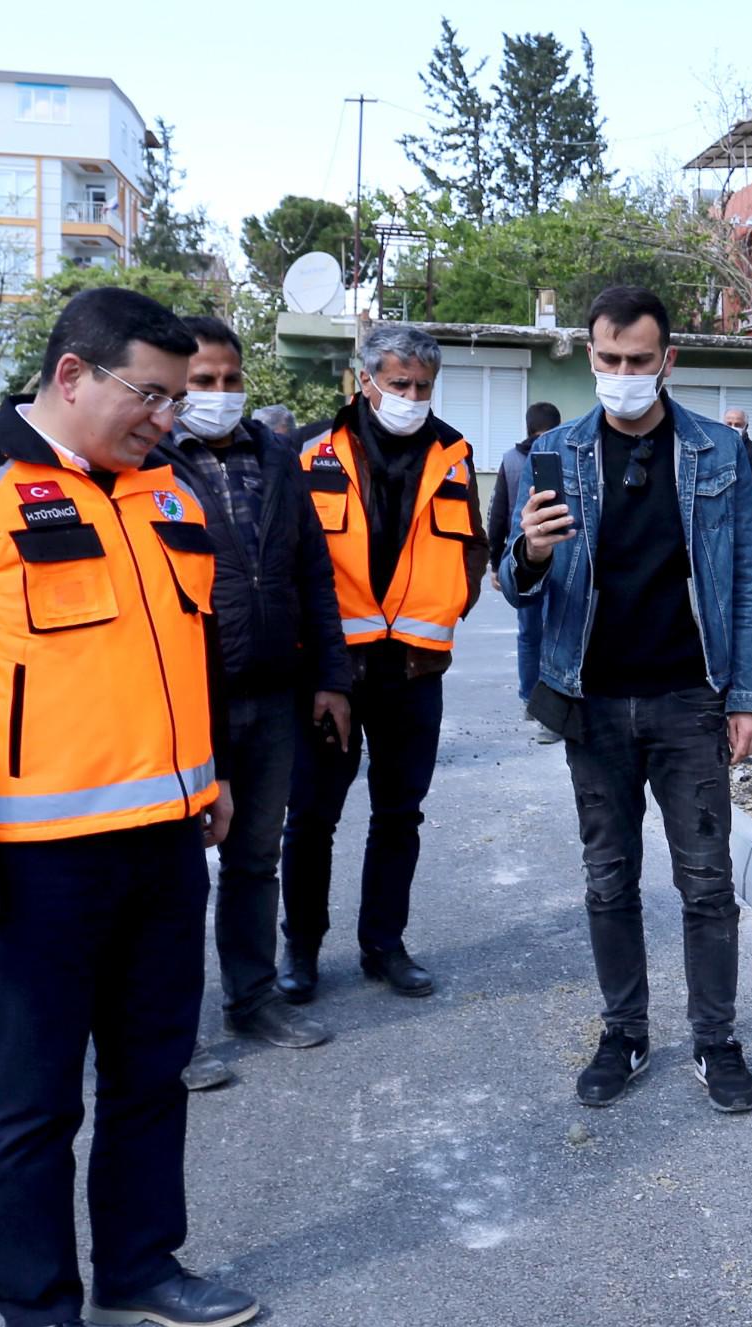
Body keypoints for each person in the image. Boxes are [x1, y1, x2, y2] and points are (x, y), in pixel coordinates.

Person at [0, 287, 256, 1327]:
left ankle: (139, 1266)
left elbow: (183, 656)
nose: (169, 418)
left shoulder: (163, 492)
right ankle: (36, 1310)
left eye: (178, 399)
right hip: (34, 861)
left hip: (166, 843)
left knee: (152, 1075)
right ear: (72, 376)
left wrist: (211, 771)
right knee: (38, 1097)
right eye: (151, 395)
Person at [511, 285, 752, 1115]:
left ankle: (716, 1039)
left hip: (689, 702)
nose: (622, 374)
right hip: (592, 703)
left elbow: (750, 582)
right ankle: (624, 1032)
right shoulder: (553, 452)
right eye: (608, 359)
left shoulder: (718, 456)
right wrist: (530, 550)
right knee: (608, 880)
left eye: (638, 360)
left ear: (668, 360)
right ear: (590, 357)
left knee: (705, 882)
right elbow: (517, 589)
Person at [160, 316, 351, 1089]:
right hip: (182, 698)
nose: (218, 394)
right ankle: (162, 1032)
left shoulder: (277, 456)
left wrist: (333, 677)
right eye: (201, 382)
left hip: (274, 691)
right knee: (170, 877)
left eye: (229, 379)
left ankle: (253, 995)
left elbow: (315, 575)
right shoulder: (148, 460)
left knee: (255, 857)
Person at [278, 323, 489, 1004]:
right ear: (364, 380)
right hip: (331, 675)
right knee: (311, 817)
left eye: (423, 387)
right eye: (399, 384)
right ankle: (301, 948)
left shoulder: (453, 454)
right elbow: (284, 563)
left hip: (413, 676)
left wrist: (449, 608)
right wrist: (316, 669)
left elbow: (473, 549)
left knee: (399, 816)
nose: (412, 397)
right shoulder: (310, 451)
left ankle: (383, 944)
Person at [483, 401, 563, 745]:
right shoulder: (565, 456)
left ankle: (531, 698)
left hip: (523, 561)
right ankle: (547, 707)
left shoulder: (510, 460)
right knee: (553, 634)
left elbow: (497, 514)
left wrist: (496, 561)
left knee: (529, 634)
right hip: (557, 560)